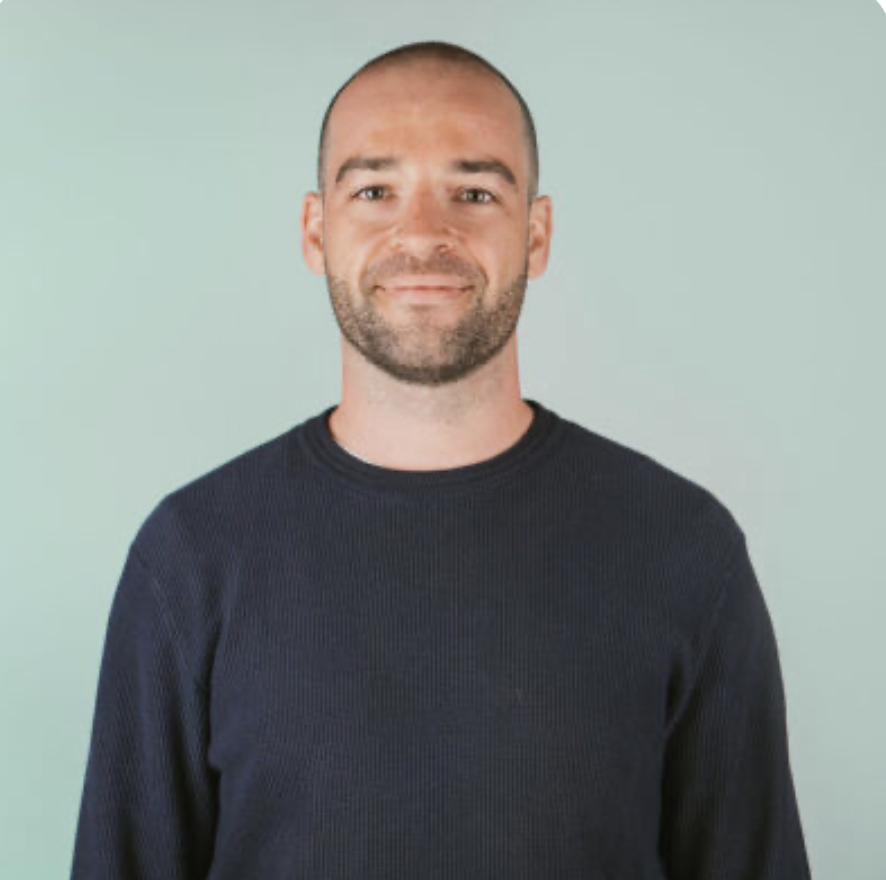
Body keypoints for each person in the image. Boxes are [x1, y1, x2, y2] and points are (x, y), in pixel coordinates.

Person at [69, 40, 813, 879]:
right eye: (376, 190)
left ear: (536, 234)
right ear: (317, 230)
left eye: (474, 192)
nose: (423, 234)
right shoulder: (191, 557)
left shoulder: (685, 552)